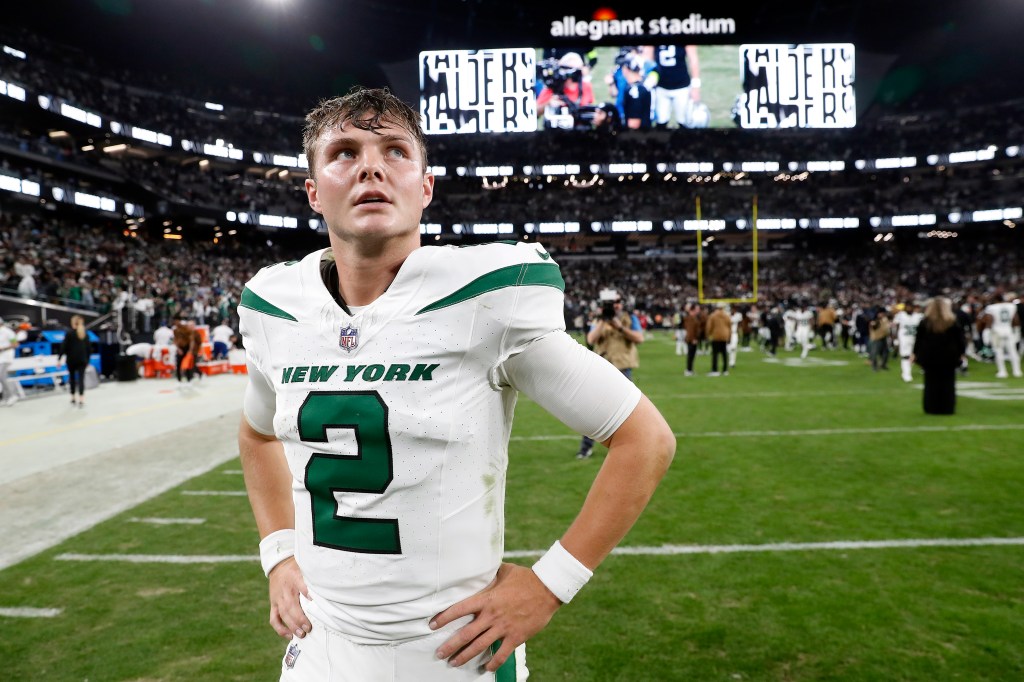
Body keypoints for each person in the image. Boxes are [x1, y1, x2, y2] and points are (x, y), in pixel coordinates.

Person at [236, 87, 675, 681]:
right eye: (343, 152)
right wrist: (278, 552)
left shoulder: (486, 296)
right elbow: (256, 435)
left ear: (426, 187)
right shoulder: (275, 306)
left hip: (453, 651)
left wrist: (549, 586)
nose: (370, 165)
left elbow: (644, 439)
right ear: (314, 191)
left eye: (394, 150)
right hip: (322, 643)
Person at [574, 291, 645, 459]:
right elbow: (591, 340)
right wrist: (603, 321)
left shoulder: (629, 318)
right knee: (593, 409)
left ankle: (631, 446)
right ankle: (586, 448)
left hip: (623, 368)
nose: (615, 306)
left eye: (617, 302)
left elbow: (639, 338)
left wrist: (619, 326)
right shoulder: (599, 320)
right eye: (611, 303)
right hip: (603, 368)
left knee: (628, 411)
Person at [912, 296, 967, 414]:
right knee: (948, 384)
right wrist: (962, 353)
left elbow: (919, 340)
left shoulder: (925, 322)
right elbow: (960, 340)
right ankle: (947, 408)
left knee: (930, 383)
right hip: (949, 357)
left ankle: (931, 408)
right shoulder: (952, 321)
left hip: (929, 357)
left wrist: (915, 354)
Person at [649, 44, 702, 128]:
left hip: (682, 87)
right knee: (661, 122)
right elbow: (648, 58)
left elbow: (693, 59)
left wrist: (695, 86)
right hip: (660, 87)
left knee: (685, 122)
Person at [981, 292, 1023, 378]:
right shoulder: (1011, 306)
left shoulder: (991, 307)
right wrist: (1017, 331)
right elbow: (1016, 320)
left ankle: (1003, 372)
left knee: (999, 352)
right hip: (1008, 330)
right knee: (1013, 352)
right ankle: (1017, 371)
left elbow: (989, 321)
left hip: (996, 331)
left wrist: (986, 333)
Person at [57, 314, 91, 407]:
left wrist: (59, 359)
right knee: (81, 379)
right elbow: (89, 349)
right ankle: (81, 399)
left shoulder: (69, 334)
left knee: (72, 378)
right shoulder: (85, 334)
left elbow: (63, 347)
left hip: (71, 360)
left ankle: (73, 397)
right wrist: (87, 360)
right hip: (82, 360)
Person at [892, 301, 923, 383]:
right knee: (905, 356)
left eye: (910, 307)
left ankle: (907, 371)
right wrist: (895, 338)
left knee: (913, 356)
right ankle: (906, 374)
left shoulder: (918, 316)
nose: (909, 308)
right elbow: (895, 326)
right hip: (904, 339)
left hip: (915, 339)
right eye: (907, 307)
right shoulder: (900, 315)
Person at [705, 303, 731, 376]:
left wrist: (708, 335)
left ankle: (715, 370)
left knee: (715, 354)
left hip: (716, 336)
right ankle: (725, 370)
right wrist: (729, 336)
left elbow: (709, 327)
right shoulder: (727, 316)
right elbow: (730, 327)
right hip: (725, 336)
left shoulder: (713, 316)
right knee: (724, 354)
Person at [0, 316, 20, 406]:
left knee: (2, 376)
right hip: (1, 358)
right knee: (1, 377)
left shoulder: (8, 332)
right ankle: (5, 398)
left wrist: (3, 348)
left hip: (6, 357)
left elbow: (15, 344)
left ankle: (13, 395)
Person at [173, 317, 199, 383]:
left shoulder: (189, 332)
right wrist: (178, 349)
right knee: (178, 364)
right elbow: (175, 341)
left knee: (189, 365)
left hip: (187, 348)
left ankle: (189, 379)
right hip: (180, 348)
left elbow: (191, 341)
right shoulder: (175, 331)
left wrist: (190, 350)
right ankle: (179, 380)